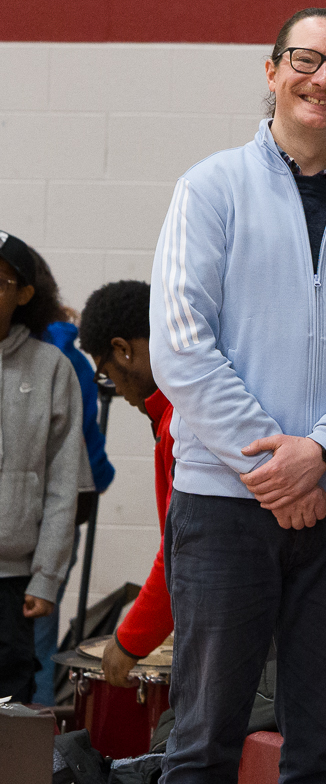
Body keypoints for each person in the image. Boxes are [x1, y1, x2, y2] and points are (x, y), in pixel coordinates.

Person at [150, 8, 326, 784]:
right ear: (272, 72)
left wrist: (322, 452)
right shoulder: (210, 189)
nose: (323, 79)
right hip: (224, 504)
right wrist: (274, 468)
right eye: (307, 60)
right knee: (203, 739)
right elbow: (181, 344)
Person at [0, 231, 87, 704]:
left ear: (23, 293)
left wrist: (47, 577)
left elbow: (62, 483)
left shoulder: (51, 367)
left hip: (15, 580)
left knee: (11, 705)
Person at [75, 280, 171, 691]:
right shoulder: (168, 415)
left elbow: (184, 550)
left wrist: (129, 640)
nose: (112, 388)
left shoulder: (180, 422)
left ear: (123, 350)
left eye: (105, 373)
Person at [30, 276, 115, 703]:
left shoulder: (55, 361)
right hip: (63, 520)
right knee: (39, 648)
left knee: (35, 648)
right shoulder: (74, 359)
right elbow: (93, 465)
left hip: (46, 523)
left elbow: (77, 458)